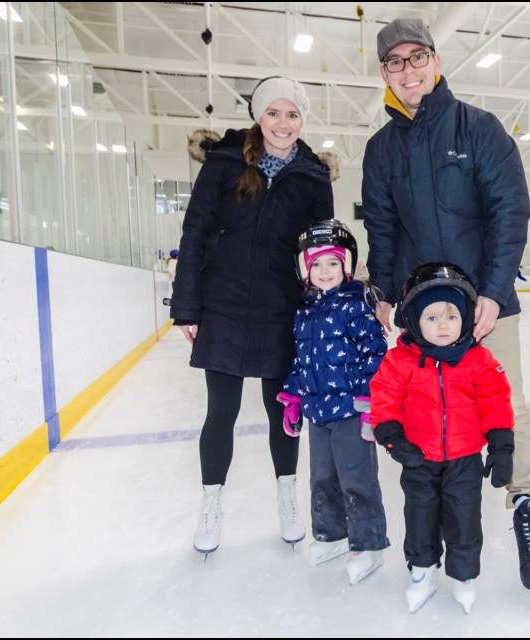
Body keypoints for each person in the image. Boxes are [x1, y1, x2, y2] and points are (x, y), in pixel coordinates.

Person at [361, 18, 530, 597]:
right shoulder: (381, 148)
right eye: (396, 62)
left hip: (487, 305)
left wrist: (494, 291)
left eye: (417, 57)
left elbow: (509, 213)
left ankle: (527, 507)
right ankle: (435, 527)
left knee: (506, 404)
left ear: (436, 61)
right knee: (429, 413)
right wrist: (384, 294)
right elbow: (384, 230)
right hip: (423, 313)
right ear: (385, 73)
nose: (409, 69)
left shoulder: (480, 129)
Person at [170, 76, 335, 558]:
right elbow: (195, 230)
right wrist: (187, 305)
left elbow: (320, 248)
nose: (283, 124)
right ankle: (211, 504)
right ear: (258, 117)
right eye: (274, 113)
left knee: (283, 413)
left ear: (302, 121)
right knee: (220, 412)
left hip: (282, 309)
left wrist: (321, 312)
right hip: (223, 304)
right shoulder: (223, 163)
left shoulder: (311, 176)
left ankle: (287, 496)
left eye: (293, 115)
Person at [371, 263, 515, 614]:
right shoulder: (400, 361)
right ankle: (422, 571)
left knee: (464, 517)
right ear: (415, 321)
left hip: (465, 460)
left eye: (451, 316)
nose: (443, 325)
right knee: (420, 515)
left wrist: (502, 443)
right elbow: (384, 398)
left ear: (465, 318)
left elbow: (496, 401)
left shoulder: (478, 360)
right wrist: (392, 436)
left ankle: (464, 575)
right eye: (431, 318)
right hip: (418, 459)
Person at [277, 220, 389, 585]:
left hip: (351, 413)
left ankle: (368, 543)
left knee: (357, 478)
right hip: (317, 412)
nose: (325, 272)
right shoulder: (304, 311)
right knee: (322, 478)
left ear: (347, 266)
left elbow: (375, 352)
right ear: (305, 269)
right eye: (317, 264)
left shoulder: (356, 304)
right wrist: (294, 396)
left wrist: (370, 400)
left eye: (333, 264)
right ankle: (331, 534)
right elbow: (301, 358)